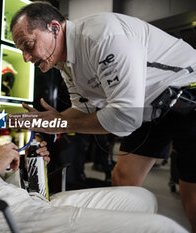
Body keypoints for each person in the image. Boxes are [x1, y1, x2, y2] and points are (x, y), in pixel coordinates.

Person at [0, 63, 187, 233]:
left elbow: (8, 184)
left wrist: (27, 165)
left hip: (30, 203)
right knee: (162, 229)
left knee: (142, 197)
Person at [10, 1, 196, 232]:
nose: (26, 58)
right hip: (146, 107)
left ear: (55, 28)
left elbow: (124, 119)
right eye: (22, 51)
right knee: (124, 178)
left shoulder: (104, 36)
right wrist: (53, 123)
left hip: (185, 93)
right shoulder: (63, 61)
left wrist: (59, 123)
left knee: (191, 193)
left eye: (29, 45)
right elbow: (84, 108)